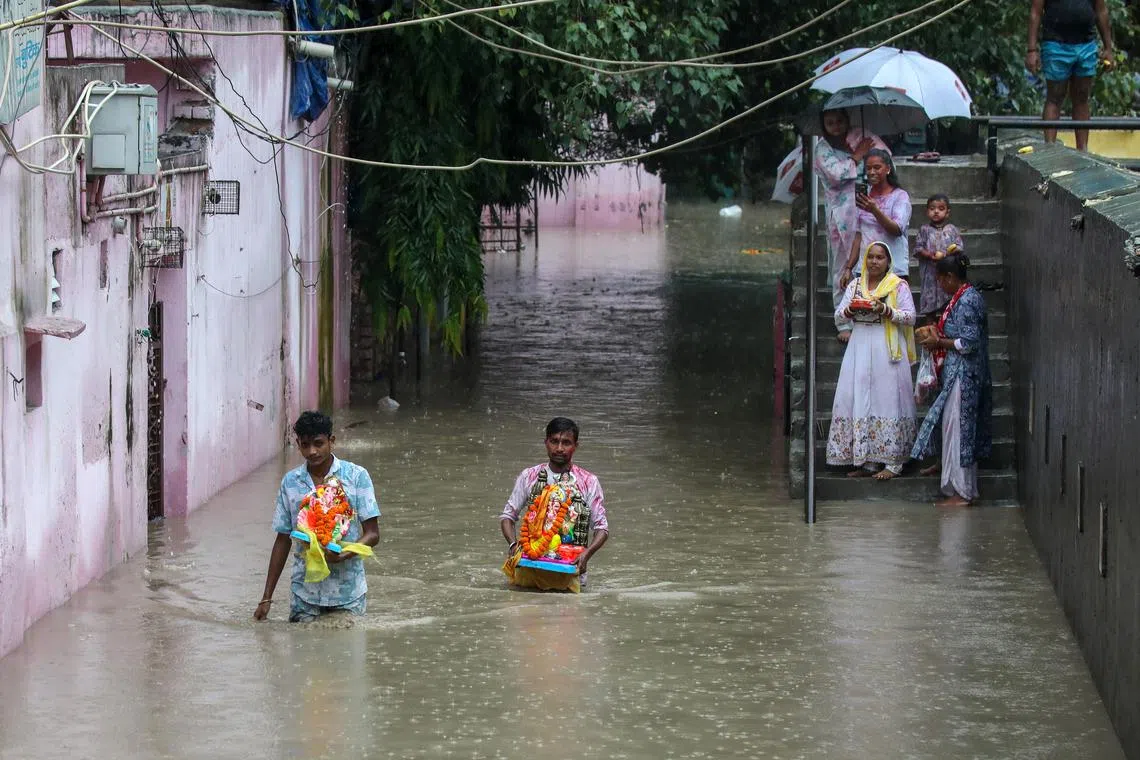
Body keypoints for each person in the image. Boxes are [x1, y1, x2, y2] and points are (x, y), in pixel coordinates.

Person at [254, 411, 381, 622]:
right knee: (303, 653)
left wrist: (343, 555)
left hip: (348, 596)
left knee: (347, 653)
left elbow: (373, 534)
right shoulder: (290, 482)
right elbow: (282, 540)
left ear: (331, 441)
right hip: (304, 596)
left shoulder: (357, 476)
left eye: (318, 443)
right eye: (305, 445)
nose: (312, 451)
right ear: (298, 444)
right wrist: (266, 598)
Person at [826, 241, 918, 480]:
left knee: (887, 399)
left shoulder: (898, 286)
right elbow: (839, 314)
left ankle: (893, 463)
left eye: (880, 258)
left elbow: (910, 317)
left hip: (887, 350)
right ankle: (865, 460)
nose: (874, 262)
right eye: (871, 257)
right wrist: (848, 312)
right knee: (858, 397)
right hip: (859, 347)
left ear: (888, 261)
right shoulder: (856, 285)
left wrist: (886, 310)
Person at [912, 255, 993, 507]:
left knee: (960, 431)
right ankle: (955, 488)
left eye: (940, 280)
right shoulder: (960, 297)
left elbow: (968, 343)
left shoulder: (968, 300)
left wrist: (940, 342)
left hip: (965, 375)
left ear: (949, 277)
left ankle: (963, 492)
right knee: (952, 428)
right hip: (955, 373)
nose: (939, 285)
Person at [500, 417, 608, 590]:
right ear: (546, 443)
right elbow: (508, 516)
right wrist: (513, 545)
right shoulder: (530, 476)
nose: (559, 448)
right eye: (554, 441)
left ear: (575, 446)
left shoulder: (588, 481)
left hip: (570, 575)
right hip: (528, 573)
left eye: (566, 442)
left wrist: (586, 555)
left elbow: (602, 528)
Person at [811, 108, 890, 343]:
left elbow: (884, 158)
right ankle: (843, 320)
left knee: (872, 259)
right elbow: (836, 174)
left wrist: (870, 160)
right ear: (824, 125)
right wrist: (857, 156)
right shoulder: (822, 148)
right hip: (841, 215)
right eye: (829, 122)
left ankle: (870, 311)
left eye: (839, 121)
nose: (835, 126)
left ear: (847, 120)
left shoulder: (862, 134)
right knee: (843, 266)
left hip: (868, 207)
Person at [1027, 0, 1114, 152]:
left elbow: (1101, 11)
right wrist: (1032, 50)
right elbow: (1035, 12)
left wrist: (1108, 48)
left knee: (1082, 96)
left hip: (1086, 43)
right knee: (1055, 96)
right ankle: (1050, 149)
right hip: (1056, 43)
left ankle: (1083, 150)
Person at [841, 149, 912, 291]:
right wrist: (849, 267)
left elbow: (897, 229)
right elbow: (858, 236)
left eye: (877, 167)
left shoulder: (900, 197)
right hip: (865, 270)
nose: (872, 172)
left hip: (893, 270)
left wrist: (874, 210)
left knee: (891, 312)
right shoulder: (863, 197)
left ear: (888, 169)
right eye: (868, 168)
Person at [914, 194, 965, 322]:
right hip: (930, 274)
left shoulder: (952, 230)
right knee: (930, 309)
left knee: (947, 307)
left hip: (948, 274)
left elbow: (959, 247)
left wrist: (948, 254)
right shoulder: (924, 230)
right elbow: (918, 249)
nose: (936, 211)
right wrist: (930, 255)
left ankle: (946, 333)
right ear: (927, 212)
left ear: (947, 213)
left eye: (941, 209)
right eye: (932, 208)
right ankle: (930, 332)